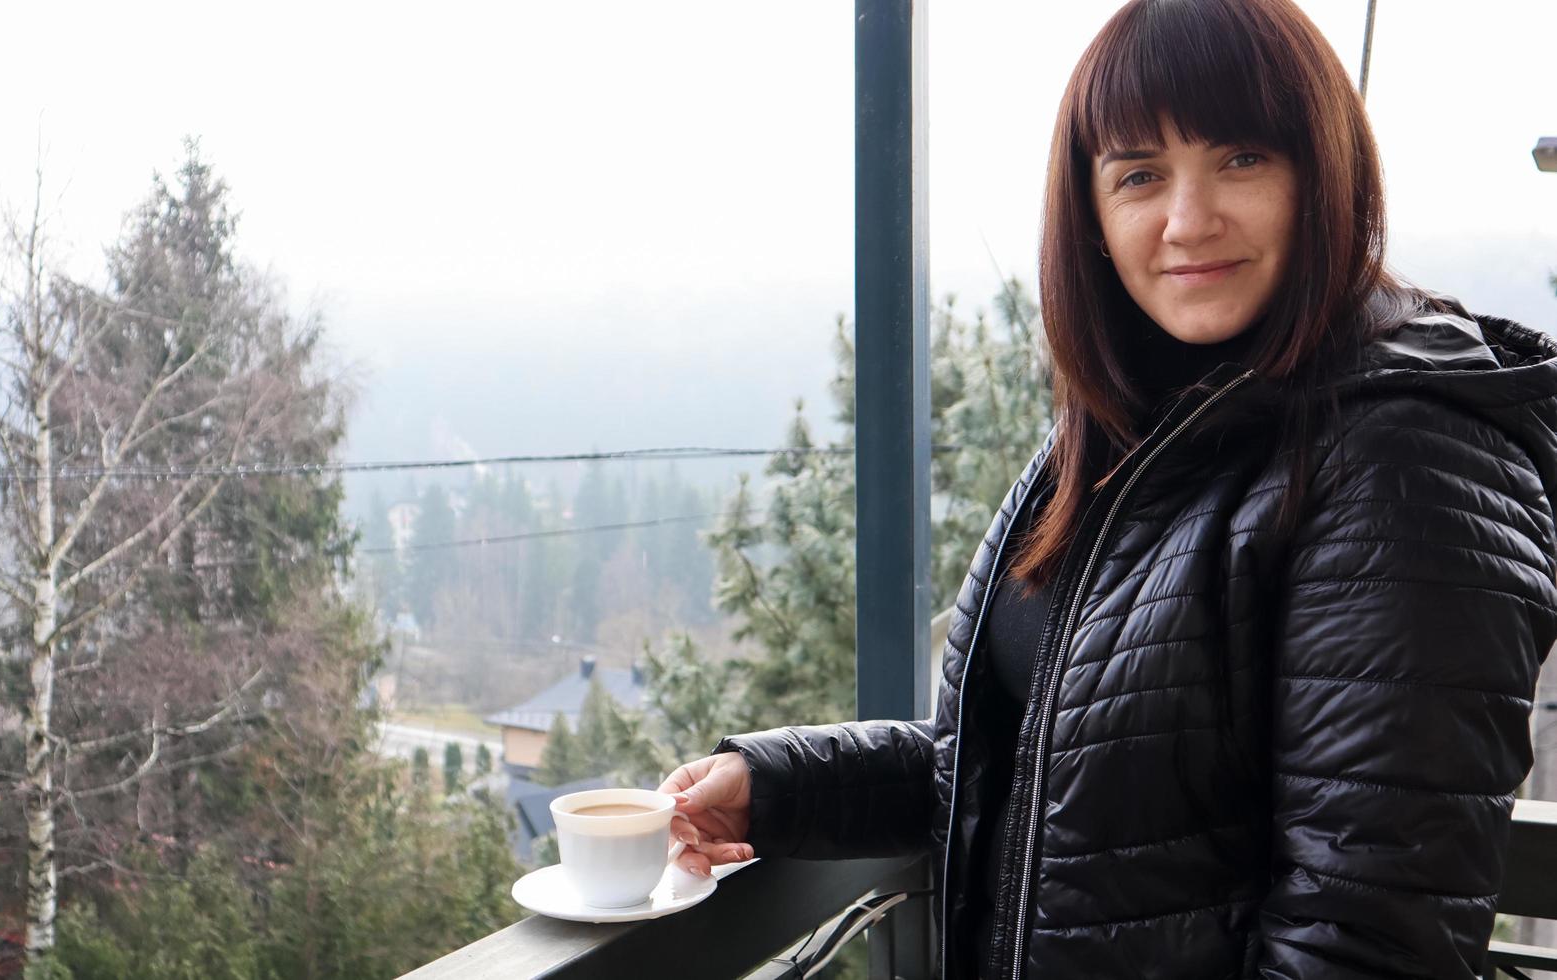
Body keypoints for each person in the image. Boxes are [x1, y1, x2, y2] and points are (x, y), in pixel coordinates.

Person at [657, 0, 1557, 977]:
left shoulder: (1405, 454)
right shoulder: (1129, 433)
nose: (1187, 218)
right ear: (1090, 212)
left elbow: (1370, 939)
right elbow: (1017, 771)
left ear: (1325, 170)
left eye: (1242, 158)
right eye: (1139, 174)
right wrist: (773, 786)